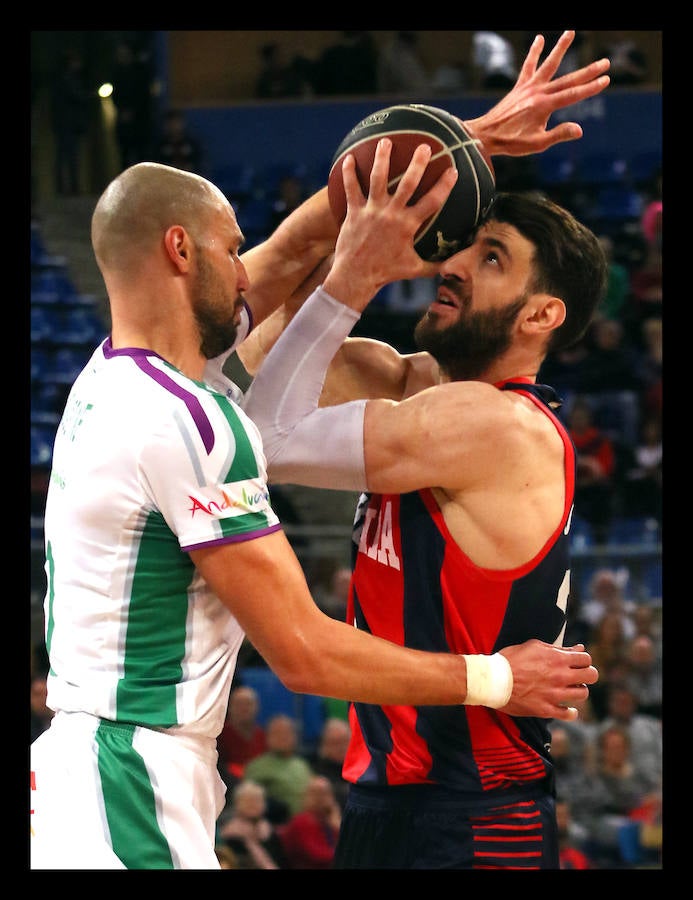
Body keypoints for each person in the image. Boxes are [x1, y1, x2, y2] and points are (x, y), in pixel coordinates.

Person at [30, 30, 608, 870]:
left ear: (542, 316)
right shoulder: (190, 414)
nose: (249, 269)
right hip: (146, 771)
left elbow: (267, 329)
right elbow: (297, 636)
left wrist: (460, 144)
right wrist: (351, 274)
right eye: (232, 248)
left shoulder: (116, 379)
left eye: (487, 258)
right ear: (179, 253)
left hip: (470, 804)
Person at [243, 713, 314, 824]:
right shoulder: (257, 767)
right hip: (277, 826)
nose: (282, 737)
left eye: (287, 733)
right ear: (267, 737)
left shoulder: (302, 765)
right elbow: (248, 803)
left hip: (309, 824)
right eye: (277, 733)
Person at [216, 778, 287, 869]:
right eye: (248, 801)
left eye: (257, 800)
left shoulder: (269, 830)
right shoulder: (231, 835)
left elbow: (282, 861)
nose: (253, 805)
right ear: (237, 804)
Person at [49, 48, 92, 196]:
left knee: (65, 157)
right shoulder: (67, 80)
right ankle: (71, 188)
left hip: (63, 125)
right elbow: (77, 97)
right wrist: (91, 95)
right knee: (70, 157)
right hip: (68, 126)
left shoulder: (60, 80)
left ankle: (64, 188)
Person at [278, 775, 341, 869]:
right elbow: (317, 856)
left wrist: (336, 826)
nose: (321, 798)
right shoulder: (301, 822)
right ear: (306, 796)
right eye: (316, 793)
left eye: (325, 793)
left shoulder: (330, 820)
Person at [217, 684, 267, 783]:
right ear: (229, 707)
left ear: (257, 707)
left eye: (248, 704)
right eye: (239, 704)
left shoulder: (263, 736)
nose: (244, 709)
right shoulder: (219, 735)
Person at [305, 716, 352, 811]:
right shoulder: (318, 771)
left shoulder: (361, 769)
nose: (342, 748)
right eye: (336, 743)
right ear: (324, 746)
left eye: (345, 741)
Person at [153, 109, 203, 174]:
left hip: (189, 179)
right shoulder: (159, 145)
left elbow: (199, 164)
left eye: (177, 122)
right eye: (171, 123)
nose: (174, 126)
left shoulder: (192, 144)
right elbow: (155, 166)